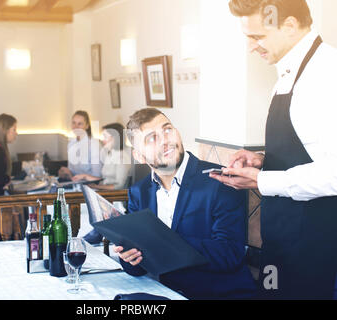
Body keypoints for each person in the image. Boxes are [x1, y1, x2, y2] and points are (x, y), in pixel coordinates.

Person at [210, 0, 337, 299]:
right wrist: (264, 160)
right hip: (281, 241)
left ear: (290, 25)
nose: (251, 47)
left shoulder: (327, 75)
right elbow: (310, 151)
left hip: (317, 248)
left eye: (257, 37)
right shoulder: (287, 73)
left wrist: (261, 180)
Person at [114, 108, 257, 299]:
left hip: (219, 294)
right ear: (139, 156)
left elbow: (229, 254)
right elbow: (137, 269)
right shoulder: (138, 192)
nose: (166, 140)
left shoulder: (220, 181)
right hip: (164, 292)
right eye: (152, 138)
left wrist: (162, 243)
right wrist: (130, 258)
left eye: (167, 130)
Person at [72, 122, 131, 190]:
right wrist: (85, 176)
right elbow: (106, 180)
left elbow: (119, 186)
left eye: (105, 137)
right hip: (104, 192)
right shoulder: (110, 155)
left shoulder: (122, 158)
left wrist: (96, 186)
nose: (103, 140)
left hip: (115, 197)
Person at [58, 110, 102, 180]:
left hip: (90, 186)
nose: (76, 127)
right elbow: (71, 170)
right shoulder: (71, 143)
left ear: (87, 126)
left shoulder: (94, 145)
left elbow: (97, 176)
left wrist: (81, 177)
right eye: (74, 123)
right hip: (74, 183)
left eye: (80, 124)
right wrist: (66, 172)